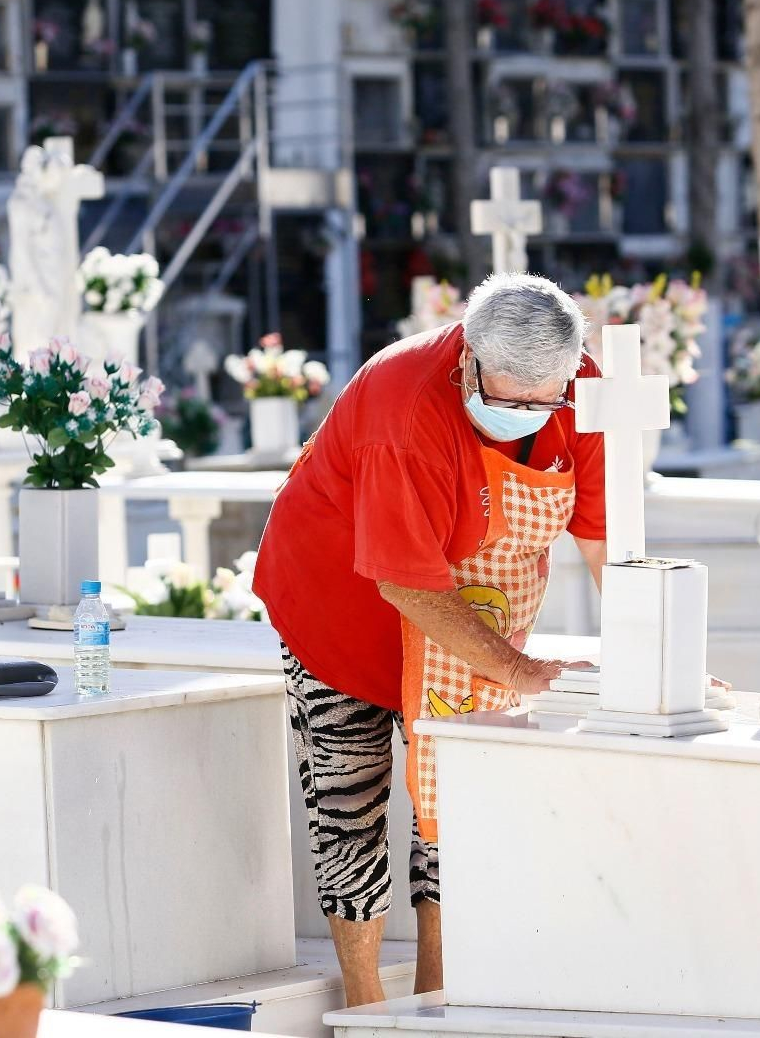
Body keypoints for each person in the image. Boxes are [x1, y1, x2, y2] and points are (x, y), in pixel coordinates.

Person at [254, 273, 608, 1006]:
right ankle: (364, 1006)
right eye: (510, 401)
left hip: (471, 613)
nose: (529, 416)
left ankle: (438, 997)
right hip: (341, 609)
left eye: (546, 402)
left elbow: (605, 535)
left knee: (456, 801)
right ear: (469, 359)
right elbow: (407, 585)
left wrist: (648, 652)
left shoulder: (583, 387)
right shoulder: (404, 405)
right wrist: (519, 669)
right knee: (349, 799)